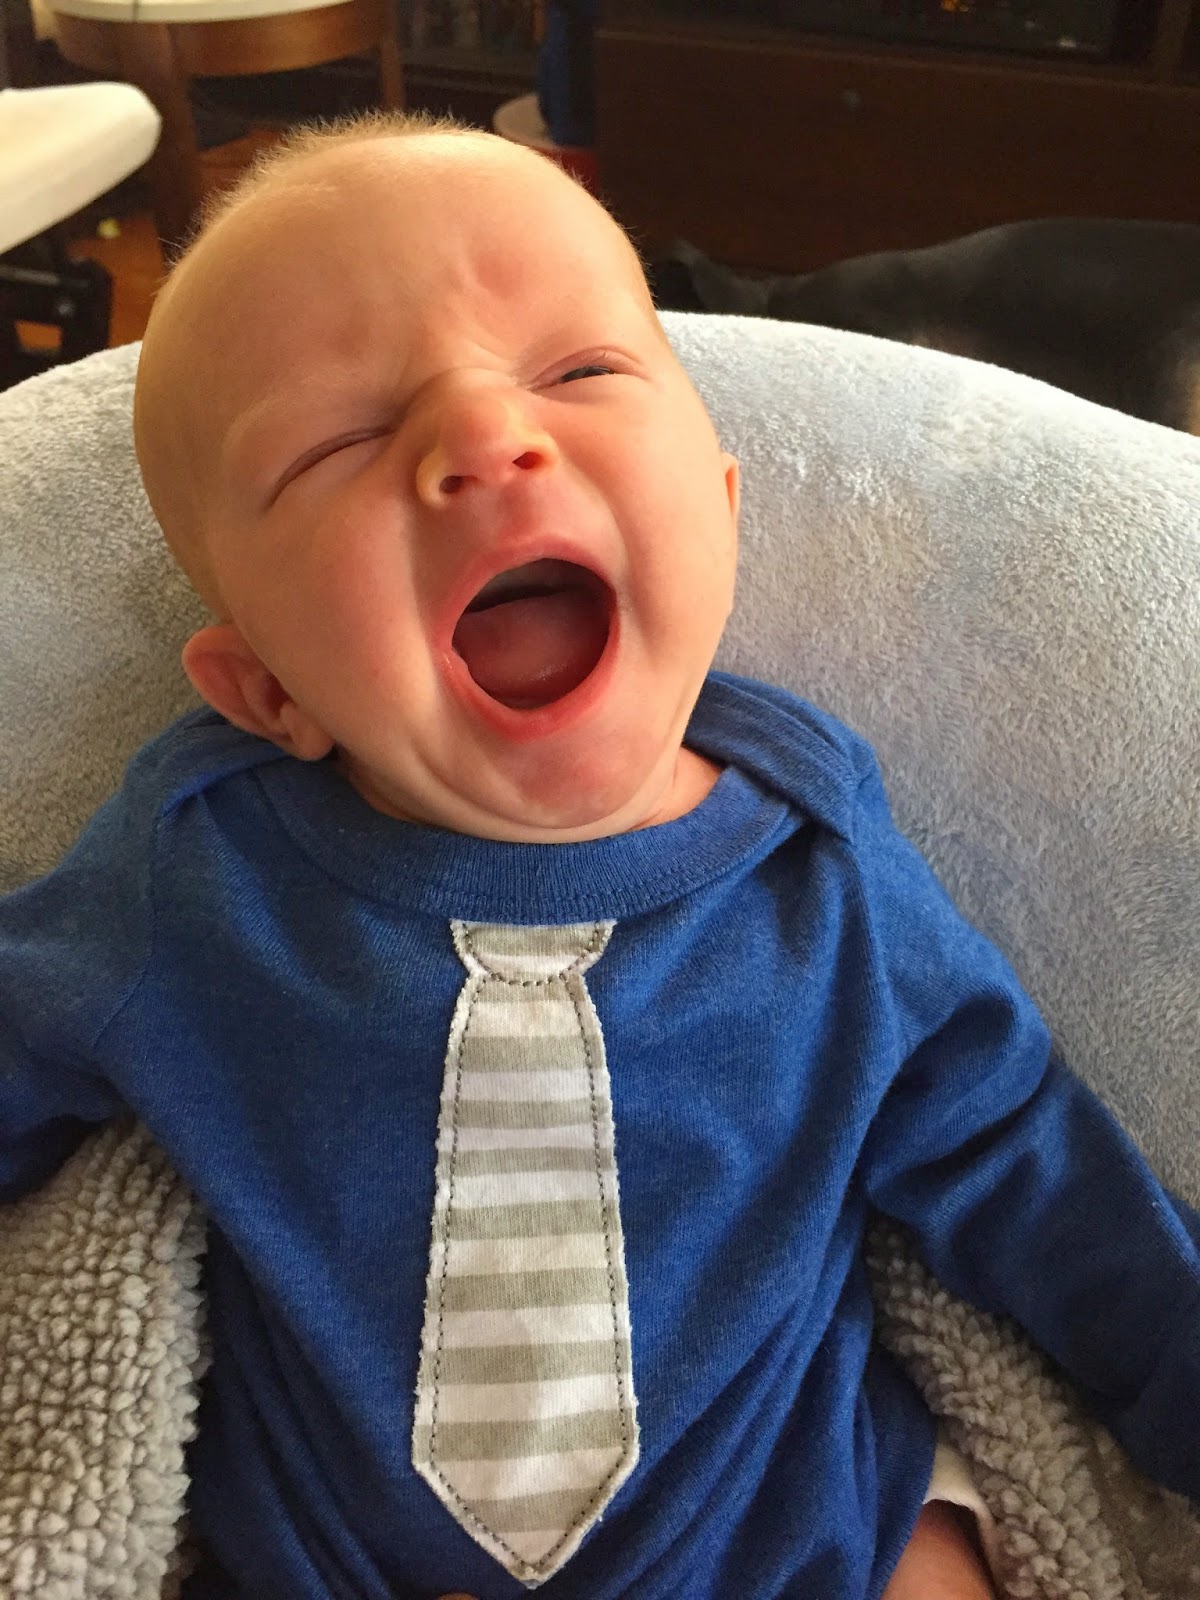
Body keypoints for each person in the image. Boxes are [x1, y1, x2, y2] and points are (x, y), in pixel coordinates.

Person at [1, 110, 1197, 1600]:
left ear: (718, 515)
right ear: (265, 691)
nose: (483, 436)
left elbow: (1027, 1163)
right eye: (338, 440)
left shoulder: (821, 871)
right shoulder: (195, 872)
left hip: (789, 1538)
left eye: (577, 372)